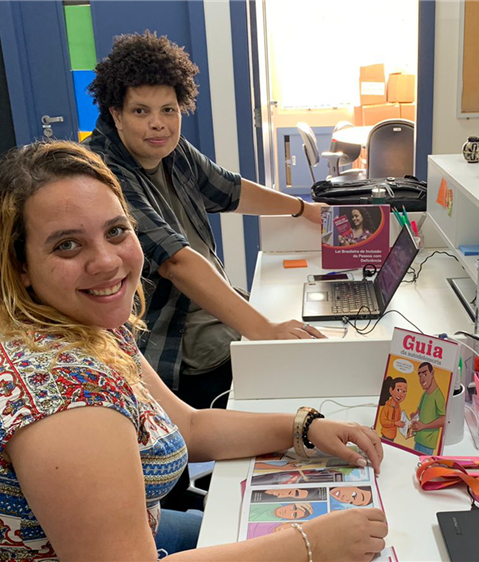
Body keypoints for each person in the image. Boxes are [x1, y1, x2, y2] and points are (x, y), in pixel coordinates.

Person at [0, 141, 387, 561]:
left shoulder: (68, 321)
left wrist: (303, 426)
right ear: (20, 265)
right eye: (67, 246)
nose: (107, 261)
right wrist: (307, 545)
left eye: (116, 231)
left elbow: (188, 426)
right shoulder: (62, 395)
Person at [85, 32, 325, 411]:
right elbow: (175, 262)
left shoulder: (171, 148)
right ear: (116, 113)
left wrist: (301, 208)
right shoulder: (102, 174)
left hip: (210, 321)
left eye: (169, 110)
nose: (158, 124)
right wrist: (263, 331)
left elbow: (229, 189)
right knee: (289, 393)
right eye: (140, 111)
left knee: (306, 357)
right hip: (168, 348)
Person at [409, 362, 445, 455]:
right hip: (418, 439)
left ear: (432, 373)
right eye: (419, 376)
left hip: (427, 444)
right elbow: (419, 412)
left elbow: (443, 420)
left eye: (425, 374)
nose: (422, 379)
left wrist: (424, 426)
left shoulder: (438, 396)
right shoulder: (424, 395)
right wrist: (414, 417)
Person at [376, 376, 408, 440]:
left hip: (393, 436)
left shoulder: (398, 407)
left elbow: (397, 420)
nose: (401, 394)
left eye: (404, 392)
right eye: (399, 390)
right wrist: (395, 423)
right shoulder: (387, 406)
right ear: (391, 390)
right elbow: (383, 421)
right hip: (385, 436)